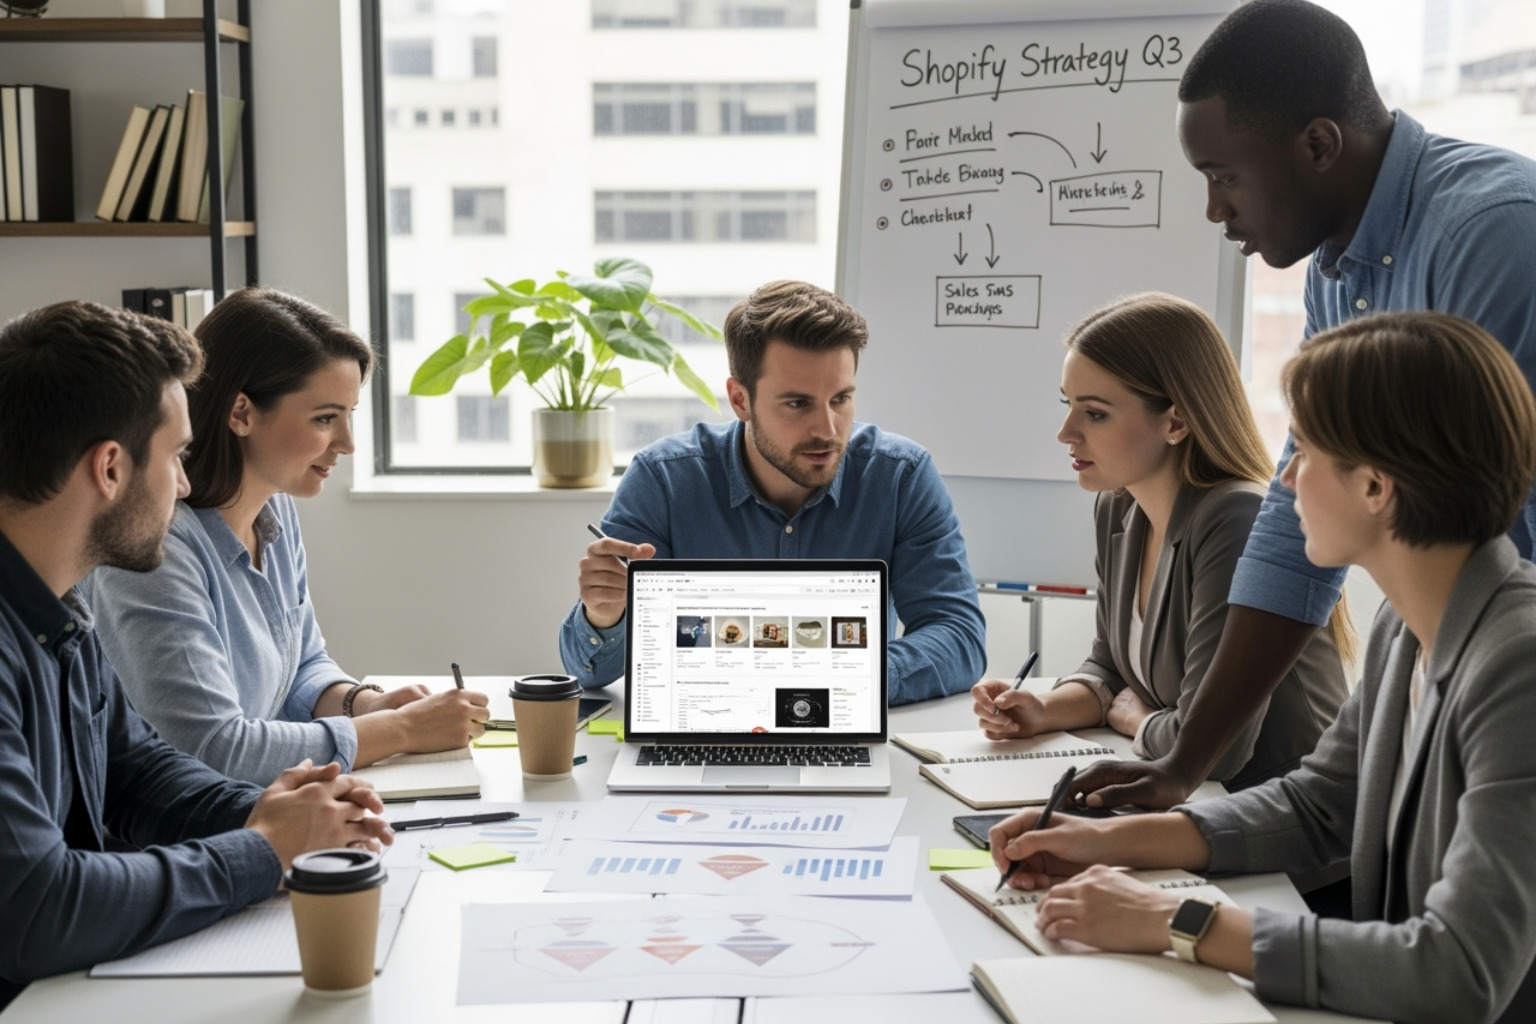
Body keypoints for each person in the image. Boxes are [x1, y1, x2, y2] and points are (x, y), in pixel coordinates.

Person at [988, 312, 1536, 1024]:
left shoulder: (1518, 662)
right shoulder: (1411, 621)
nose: (1283, 481)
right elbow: (1318, 806)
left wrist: (1170, 920)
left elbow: (1457, 972)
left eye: (1303, 453)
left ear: (1375, 487)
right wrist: (1103, 841)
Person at [1073, 0, 1536, 810]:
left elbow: (1489, 508)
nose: (1215, 210)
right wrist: (1182, 765)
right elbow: (1295, 531)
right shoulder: (1335, 269)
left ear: (1319, 144)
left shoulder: (1490, 235)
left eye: (1223, 178)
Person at [0, 301, 394, 1010]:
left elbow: (137, 772)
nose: (186, 485)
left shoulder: (56, 611)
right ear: (111, 468)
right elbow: (38, 906)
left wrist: (284, 812)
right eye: (178, 456)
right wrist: (265, 849)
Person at [86, 287, 488, 786]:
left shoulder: (274, 506)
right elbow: (213, 749)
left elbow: (302, 662)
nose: (347, 444)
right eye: (324, 418)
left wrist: (365, 703)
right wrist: (400, 729)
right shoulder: (156, 550)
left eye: (348, 415)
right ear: (241, 413)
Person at [971, 294, 1347, 790]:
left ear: (1175, 421)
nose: (1066, 433)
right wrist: (1044, 709)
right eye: (1069, 406)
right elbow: (1109, 665)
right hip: (1196, 808)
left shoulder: (1235, 518)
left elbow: (1216, 750)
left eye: (1096, 414)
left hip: (1284, 829)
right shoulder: (1120, 505)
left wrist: (1137, 722)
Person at [560, 279, 986, 705]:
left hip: (843, 726)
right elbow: (587, 671)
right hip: (706, 726)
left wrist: (839, 678)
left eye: (841, 399)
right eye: (798, 404)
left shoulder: (900, 476)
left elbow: (960, 638)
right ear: (740, 399)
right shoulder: (663, 480)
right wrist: (604, 614)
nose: (828, 429)